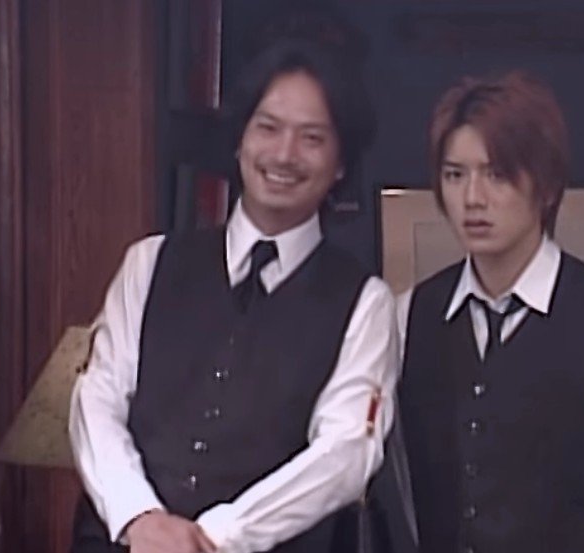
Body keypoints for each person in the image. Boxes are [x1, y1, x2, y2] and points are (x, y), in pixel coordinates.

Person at [69, 40, 396, 553]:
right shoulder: (149, 263)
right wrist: (140, 516)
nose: (284, 154)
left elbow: (346, 453)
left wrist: (215, 538)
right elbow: (97, 397)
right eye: (267, 128)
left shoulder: (366, 302)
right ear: (240, 141)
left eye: (312, 138)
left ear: (340, 164)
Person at [394, 71, 584, 553]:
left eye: (497, 174)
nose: (473, 198)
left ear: (545, 186)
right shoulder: (409, 316)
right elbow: (402, 483)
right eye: (455, 175)